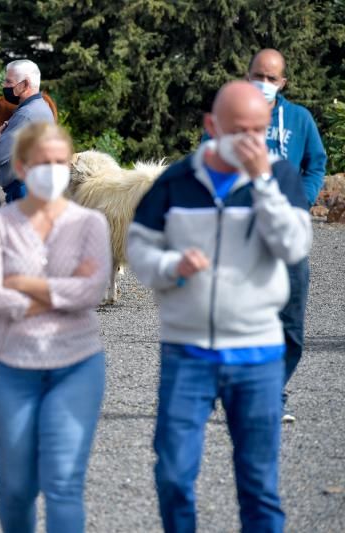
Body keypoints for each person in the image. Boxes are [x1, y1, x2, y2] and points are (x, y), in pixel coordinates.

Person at [127, 81, 312, 532]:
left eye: (258, 130)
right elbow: (138, 250)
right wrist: (172, 266)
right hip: (187, 352)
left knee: (258, 485)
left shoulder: (281, 177)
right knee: (172, 475)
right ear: (212, 126)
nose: (250, 140)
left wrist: (264, 185)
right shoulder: (177, 181)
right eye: (238, 129)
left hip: (258, 355)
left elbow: (293, 246)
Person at [0, 122, 110, 532]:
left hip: (77, 365)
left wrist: (26, 286)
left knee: (64, 482)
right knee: (15, 488)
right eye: (42, 162)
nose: (52, 170)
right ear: (21, 166)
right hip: (10, 367)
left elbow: (92, 292)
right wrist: (63, 291)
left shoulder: (91, 224)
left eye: (60, 162)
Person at [248, 48, 327, 423]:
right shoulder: (230, 113)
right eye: (257, 76)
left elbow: (317, 162)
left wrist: (302, 198)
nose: (263, 84)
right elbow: (207, 154)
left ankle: (272, 387)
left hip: (288, 230)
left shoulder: (299, 118)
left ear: (283, 83)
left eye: (270, 78)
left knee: (291, 323)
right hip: (242, 230)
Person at [0, 60, 55, 203]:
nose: (4, 86)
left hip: (23, 192)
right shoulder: (41, 107)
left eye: (9, 82)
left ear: (25, 84)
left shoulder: (25, 115)